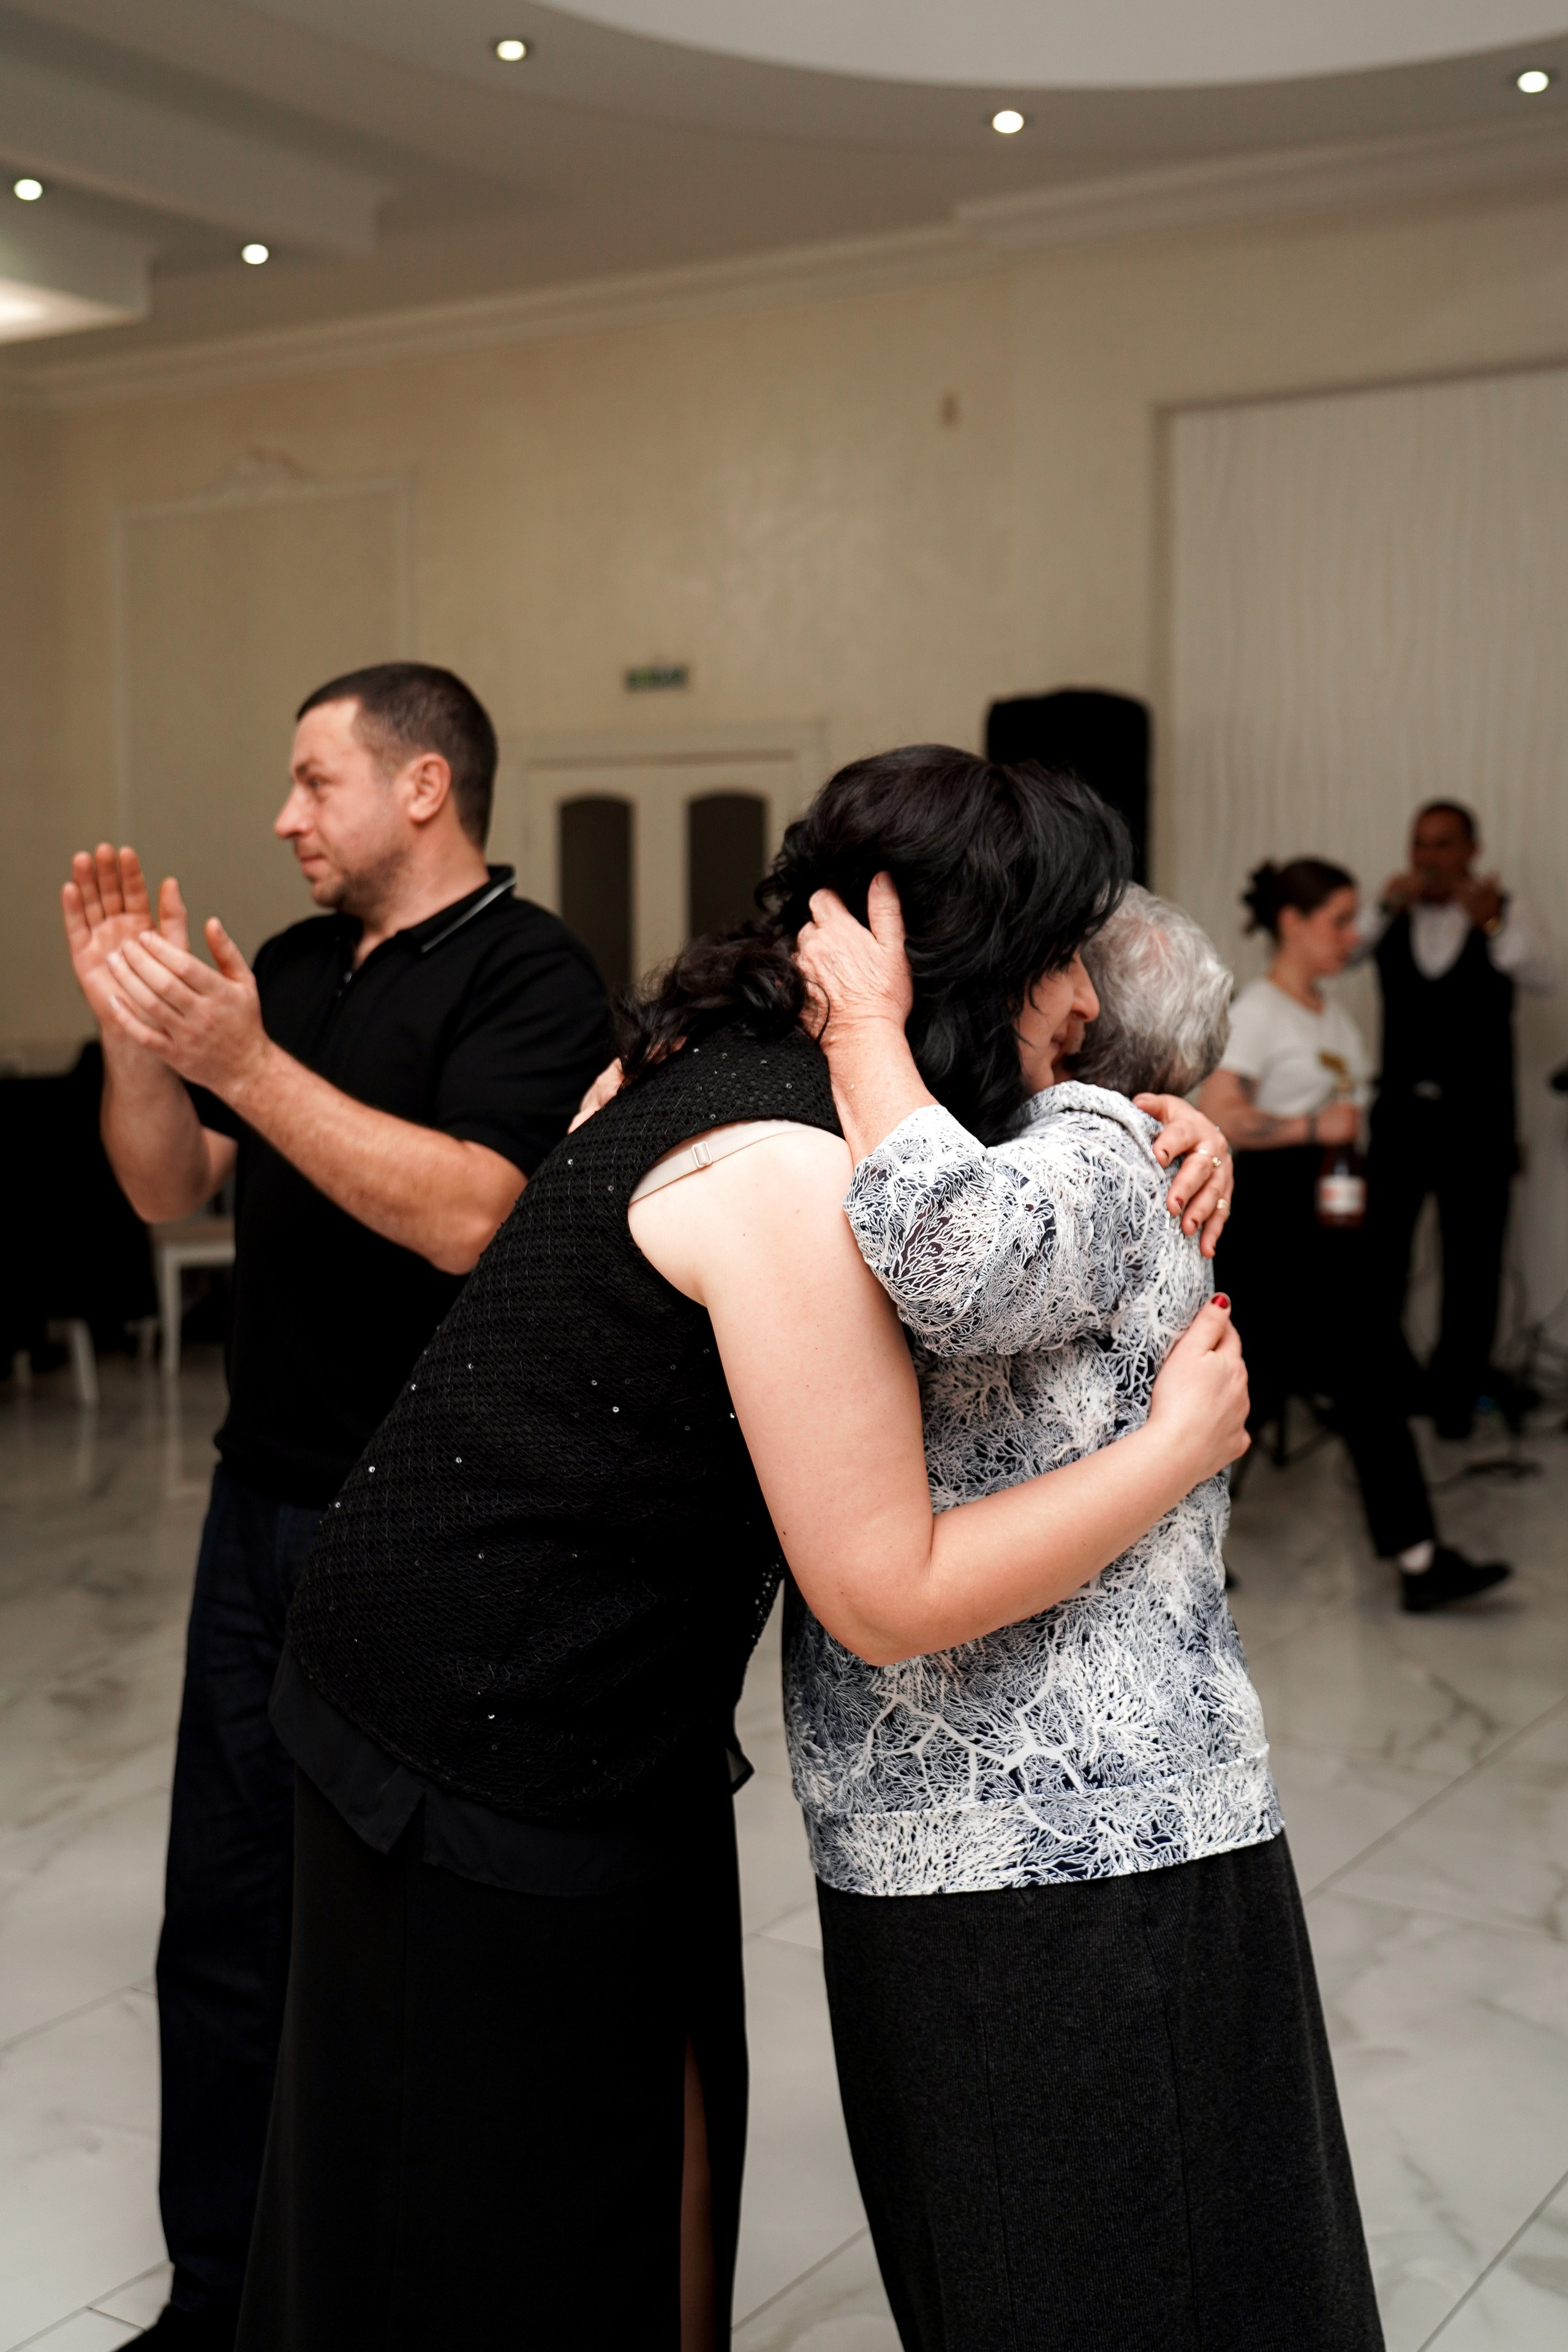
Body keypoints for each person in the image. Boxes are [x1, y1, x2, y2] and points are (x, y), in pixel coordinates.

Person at [232, 747, 1244, 2351]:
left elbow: (992, 1192)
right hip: (477, 1720)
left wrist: (1147, 1129)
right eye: (1060, 954)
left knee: (668, 2157)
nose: (1083, 998)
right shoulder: (784, 1169)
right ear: (966, 961)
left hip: (598, 1707)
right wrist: (1172, 1450)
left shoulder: (751, 1064)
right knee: (508, 2226)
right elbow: (886, 1592)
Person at [59, 663, 611, 2352]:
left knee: (397, 1940)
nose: (285, 815)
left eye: (317, 780)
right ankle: (217, 2301)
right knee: (225, 1918)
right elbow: (168, 1188)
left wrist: (247, 1060)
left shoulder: (531, 972)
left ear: (424, 785)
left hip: (432, 1531)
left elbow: (472, 1214)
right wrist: (142, 1042)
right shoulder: (291, 972)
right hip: (259, 1509)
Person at [786, 878, 1381, 2352]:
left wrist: (861, 1022)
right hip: (961, 1838)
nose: (1044, 982)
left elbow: (953, 1254)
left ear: (1078, 1017)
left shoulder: (1097, 1153)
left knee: (1117, 2277)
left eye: (1059, 960)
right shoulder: (1027, 1147)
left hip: (1086, 1849)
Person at [1201, 857, 1509, 1613]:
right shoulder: (1260, 1013)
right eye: (1338, 921)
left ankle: (1417, 1559)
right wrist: (1311, 1127)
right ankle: (1415, 1560)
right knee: (1258, 1389)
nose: (1352, 936)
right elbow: (1220, 1113)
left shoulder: (1332, 1018)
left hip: (1331, 1226)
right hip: (1274, 1230)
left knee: (1349, 1380)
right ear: (1292, 924)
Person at [1362, 799, 1555, 1438]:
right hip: (1399, 1119)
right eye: (1420, 843)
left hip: (1477, 1123)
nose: (1428, 857)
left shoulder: (1504, 911)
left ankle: (1455, 1399)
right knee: (1381, 1258)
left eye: (1443, 844)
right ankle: (1386, 1391)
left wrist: (1491, 922)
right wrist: (1386, 905)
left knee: (1473, 1263)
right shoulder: (1391, 911)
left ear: (1472, 851)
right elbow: (1341, 951)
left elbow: (1546, 974)